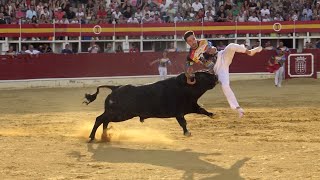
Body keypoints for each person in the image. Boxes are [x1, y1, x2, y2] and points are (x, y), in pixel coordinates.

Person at [183, 30, 263, 118]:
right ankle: (238, 108)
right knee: (225, 85)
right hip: (218, 68)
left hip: (222, 56)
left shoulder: (203, 42)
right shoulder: (191, 55)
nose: (193, 42)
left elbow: (213, 49)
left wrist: (212, 50)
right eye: (190, 41)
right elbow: (188, 66)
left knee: (231, 46)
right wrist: (188, 75)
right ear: (187, 43)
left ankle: (250, 52)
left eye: (193, 39)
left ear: (195, 37)